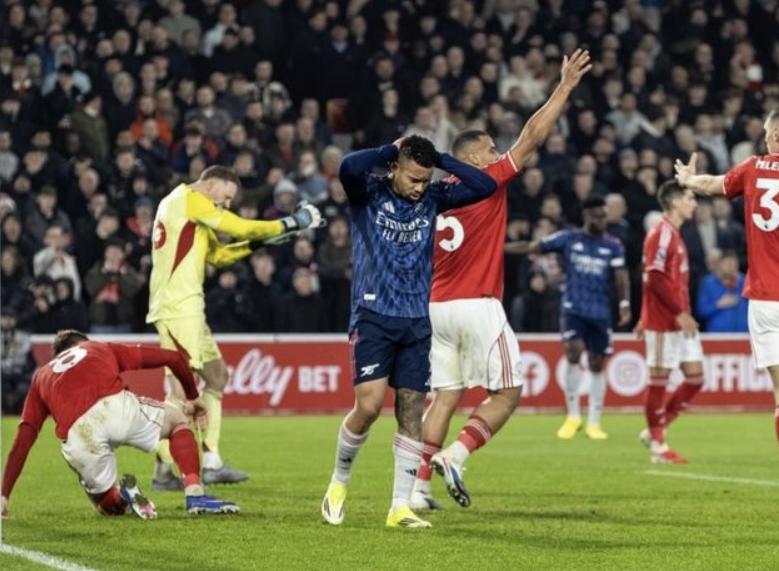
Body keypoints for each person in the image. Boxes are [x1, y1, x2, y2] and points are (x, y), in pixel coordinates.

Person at [411, 48, 592, 511]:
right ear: (473, 157)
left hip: (436, 307)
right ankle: (456, 455)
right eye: (491, 148)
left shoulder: (432, 196)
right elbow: (533, 136)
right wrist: (565, 86)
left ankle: (417, 488)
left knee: (445, 397)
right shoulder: (487, 179)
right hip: (477, 304)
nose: (497, 153)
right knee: (508, 393)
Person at [320, 135, 497, 529]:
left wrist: (442, 159)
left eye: (424, 179)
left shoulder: (434, 197)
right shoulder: (368, 192)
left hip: (416, 319)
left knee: (412, 409)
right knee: (368, 407)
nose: (419, 186)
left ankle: (400, 507)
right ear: (394, 168)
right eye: (413, 178)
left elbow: (485, 185)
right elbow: (348, 166)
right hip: (373, 314)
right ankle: (339, 482)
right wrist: (390, 149)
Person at [147, 165, 322, 489]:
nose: (225, 204)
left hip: (189, 308)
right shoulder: (188, 199)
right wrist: (290, 222)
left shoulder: (191, 211)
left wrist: (262, 242)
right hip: (177, 309)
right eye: (226, 197)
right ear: (212, 183)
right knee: (179, 394)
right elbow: (238, 226)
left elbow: (220, 257)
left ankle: (211, 462)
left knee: (217, 376)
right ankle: (161, 469)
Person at [1, 330, 238, 519]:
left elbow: (24, 437)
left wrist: (4, 495)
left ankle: (122, 500)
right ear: (84, 342)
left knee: (104, 505)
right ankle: (195, 494)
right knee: (177, 421)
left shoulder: (41, 376)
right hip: (114, 407)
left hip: (78, 434)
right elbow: (173, 358)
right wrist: (193, 397)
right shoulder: (98, 347)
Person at [674, 109, 779, 447]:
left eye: (767, 134)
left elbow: (712, 185)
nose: (764, 140)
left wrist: (688, 181)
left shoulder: (752, 168)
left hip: (764, 299)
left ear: (775, 136)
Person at [636, 181, 702, 464]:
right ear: (675, 202)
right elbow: (654, 276)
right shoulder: (661, 233)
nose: (694, 204)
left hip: (679, 320)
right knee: (659, 381)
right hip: (665, 320)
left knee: (696, 378)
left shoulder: (673, 233)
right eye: (690, 198)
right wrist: (678, 312)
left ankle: (656, 429)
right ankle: (658, 447)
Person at [695, 250, 748, 332]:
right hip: (717, 335)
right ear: (719, 265)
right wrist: (718, 305)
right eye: (728, 264)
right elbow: (701, 312)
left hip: (743, 335)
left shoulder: (744, 282)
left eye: (734, 265)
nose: (731, 268)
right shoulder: (708, 283)